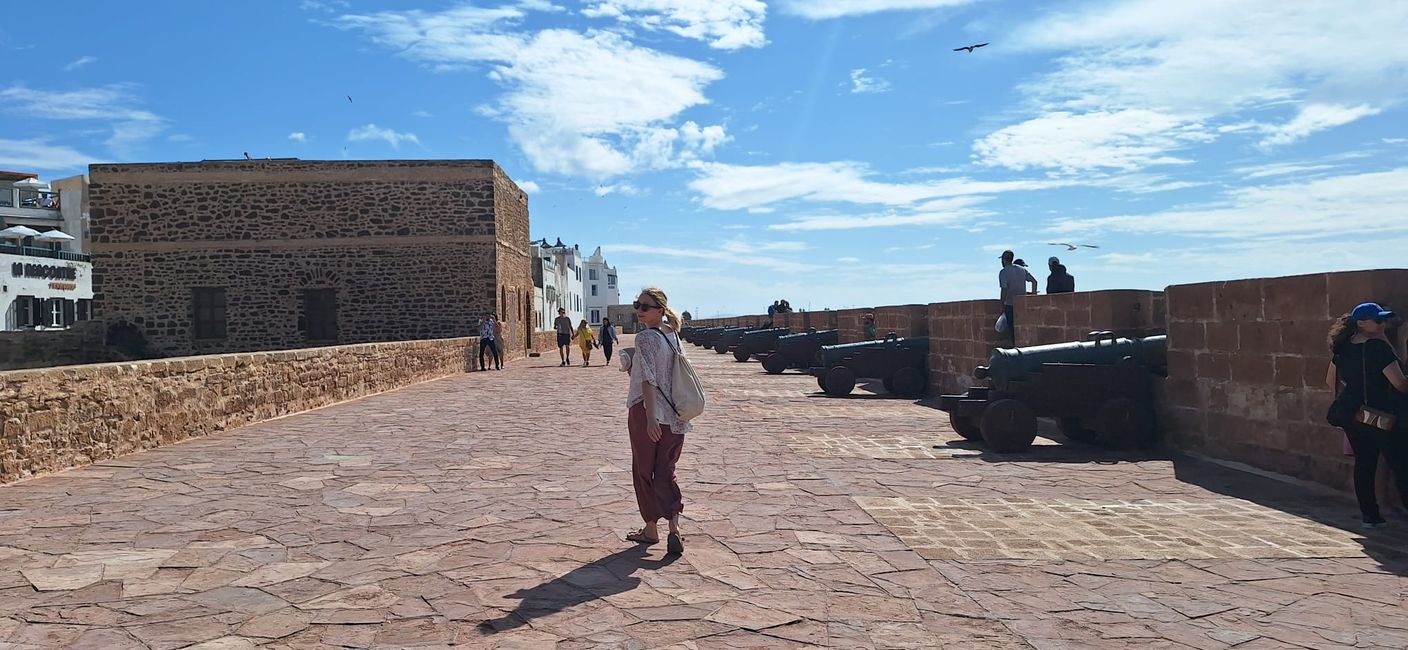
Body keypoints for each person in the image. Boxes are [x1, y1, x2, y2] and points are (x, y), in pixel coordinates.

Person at [1326, 302, 1408, 528]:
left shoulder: (1342, 349)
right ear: (1361, 323)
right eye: (1378, 320)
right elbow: (1400, 383)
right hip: (1379, 413)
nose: (1382, 324)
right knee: (1400, 463)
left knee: (1365, 463)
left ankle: (1370, 515)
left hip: (1353, 414)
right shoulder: (1377, 348)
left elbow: (1330, 381)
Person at [624, 287, 690, 556]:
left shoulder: (645, 339)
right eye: (637, 305)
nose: (639, 311)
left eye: (645, 307)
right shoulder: (673, 335)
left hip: (647, 412)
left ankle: (651, 528)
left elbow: (649, 380)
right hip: (676, 414)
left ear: (660, 309)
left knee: (643, 469)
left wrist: (651, 417)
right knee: (667, 470)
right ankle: (674, 527)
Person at [997, 250, 1038, 337]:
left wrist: (1001, 305)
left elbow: (1004, 290)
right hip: (1022, 303)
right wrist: (1033, 297)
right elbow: (1034, 281)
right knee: (1023, 330)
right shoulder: (1022, 269)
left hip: (1010, 305)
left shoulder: (1003, 272)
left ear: (1004, 260)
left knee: (1013, 331)